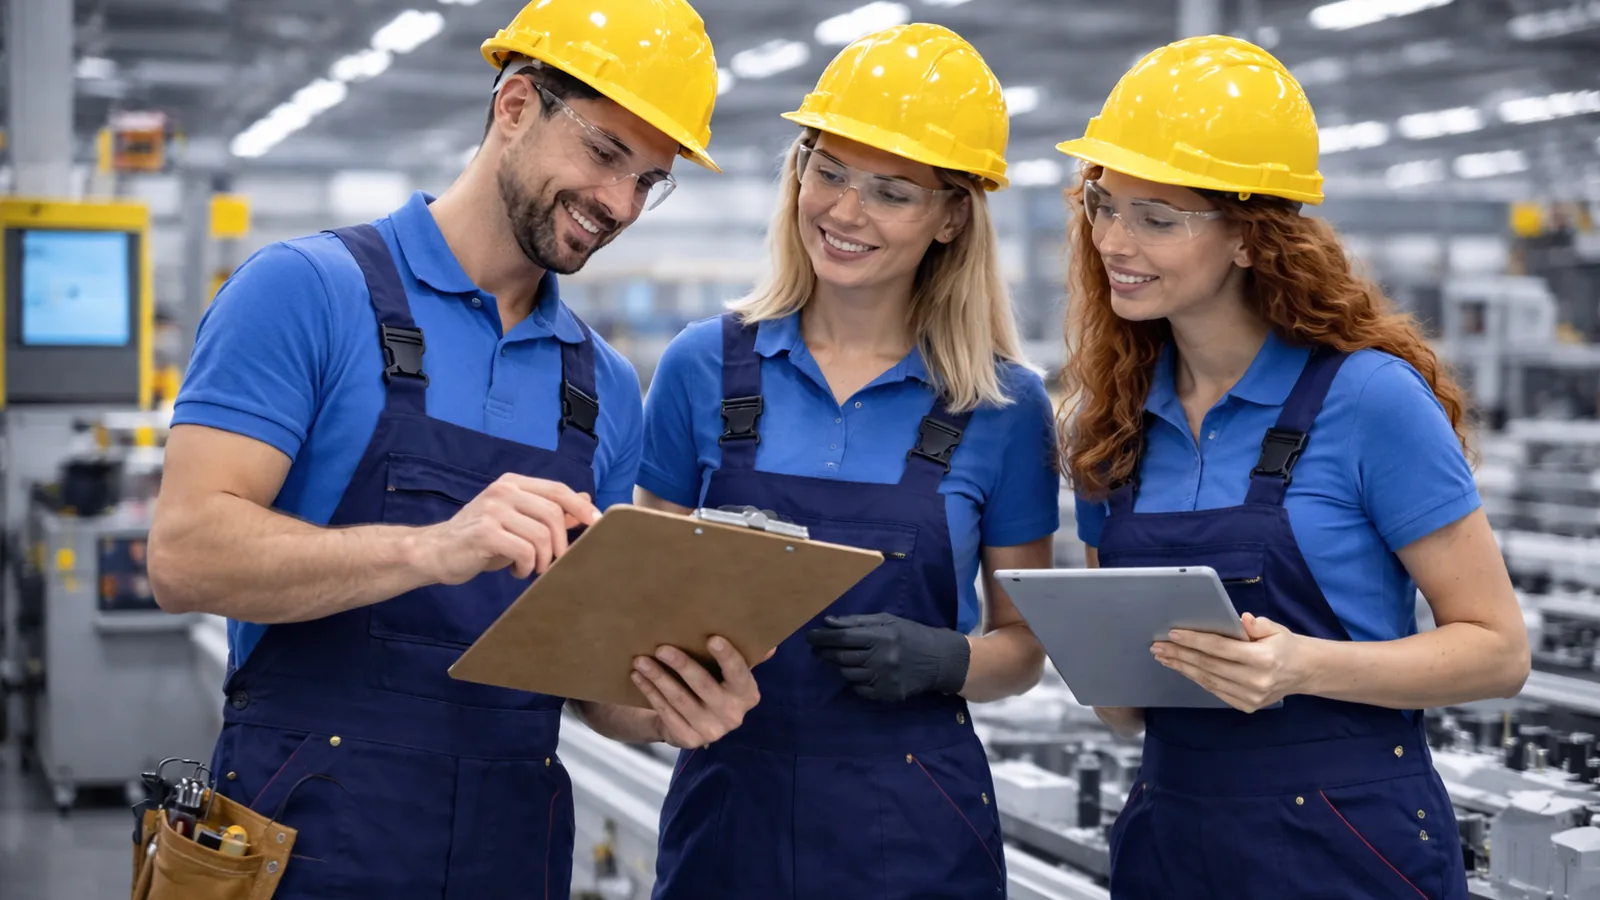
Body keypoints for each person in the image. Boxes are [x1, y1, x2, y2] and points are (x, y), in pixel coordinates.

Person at [146, 2, 759, 897]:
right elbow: (184, 556)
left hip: (508, 854)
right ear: (515, 105)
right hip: (304, 844)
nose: (620, 204)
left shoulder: (602, 387)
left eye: (648, 181)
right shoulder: (307, 291)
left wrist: (671, 703)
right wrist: (432, 547)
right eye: (603, 153)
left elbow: (593, 688)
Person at [1053, 35, 1530, 900]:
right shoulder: (1111, 421)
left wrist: (1305, 666)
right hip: (1170, 837)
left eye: (1156, 217)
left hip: (1348, 843)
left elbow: (1498, 651)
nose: (1114, 240)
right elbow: (1125, 711)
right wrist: (1099, 664)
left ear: (1247, 237)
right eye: (1103, 204)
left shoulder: (1368, 399)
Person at [634, 23, 1060, 900]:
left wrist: (947, 661)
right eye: (827, 171)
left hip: (915, 826)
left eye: (891, 192)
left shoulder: (1003, 408)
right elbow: (633, 609)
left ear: (952, 217)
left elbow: (1022, 648)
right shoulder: (702, 367)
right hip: (730, 813)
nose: (844, 212)